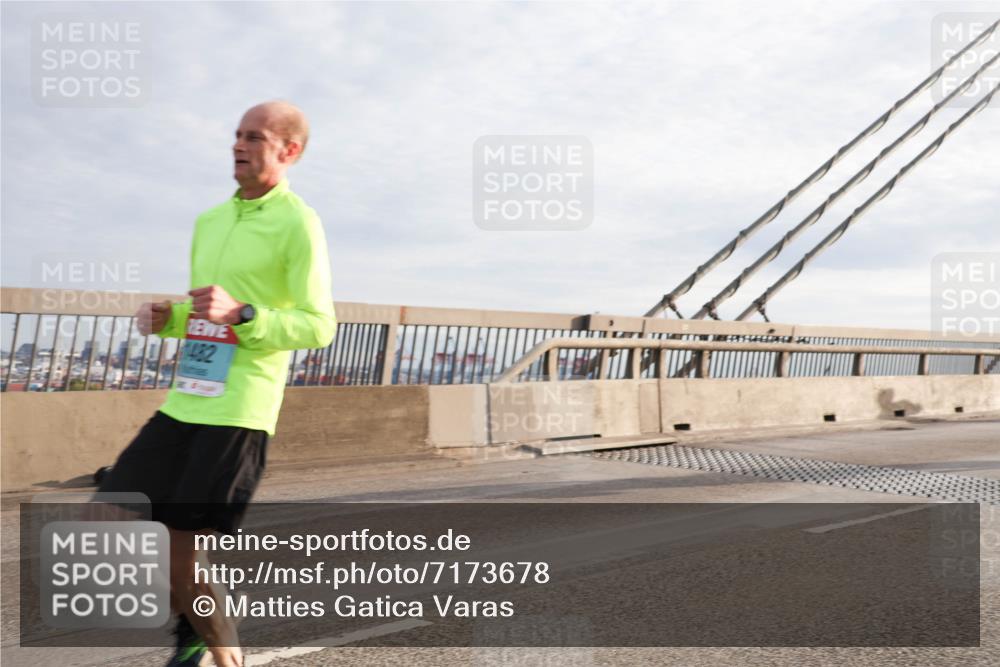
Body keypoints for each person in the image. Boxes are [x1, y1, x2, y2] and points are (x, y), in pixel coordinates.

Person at [99, 100, 336, 667]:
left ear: (289, 150)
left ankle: (212, 649)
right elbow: (206, 311)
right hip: (188, 398)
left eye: (254, 137)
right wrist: (169, 319)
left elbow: (319, 325)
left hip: (238, 409)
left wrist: (247, 315)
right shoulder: (211, 221)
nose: (239, 145)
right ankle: (195, 631)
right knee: (110, 514)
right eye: (236, 135)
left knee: (181, 547)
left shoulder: (298, 222)